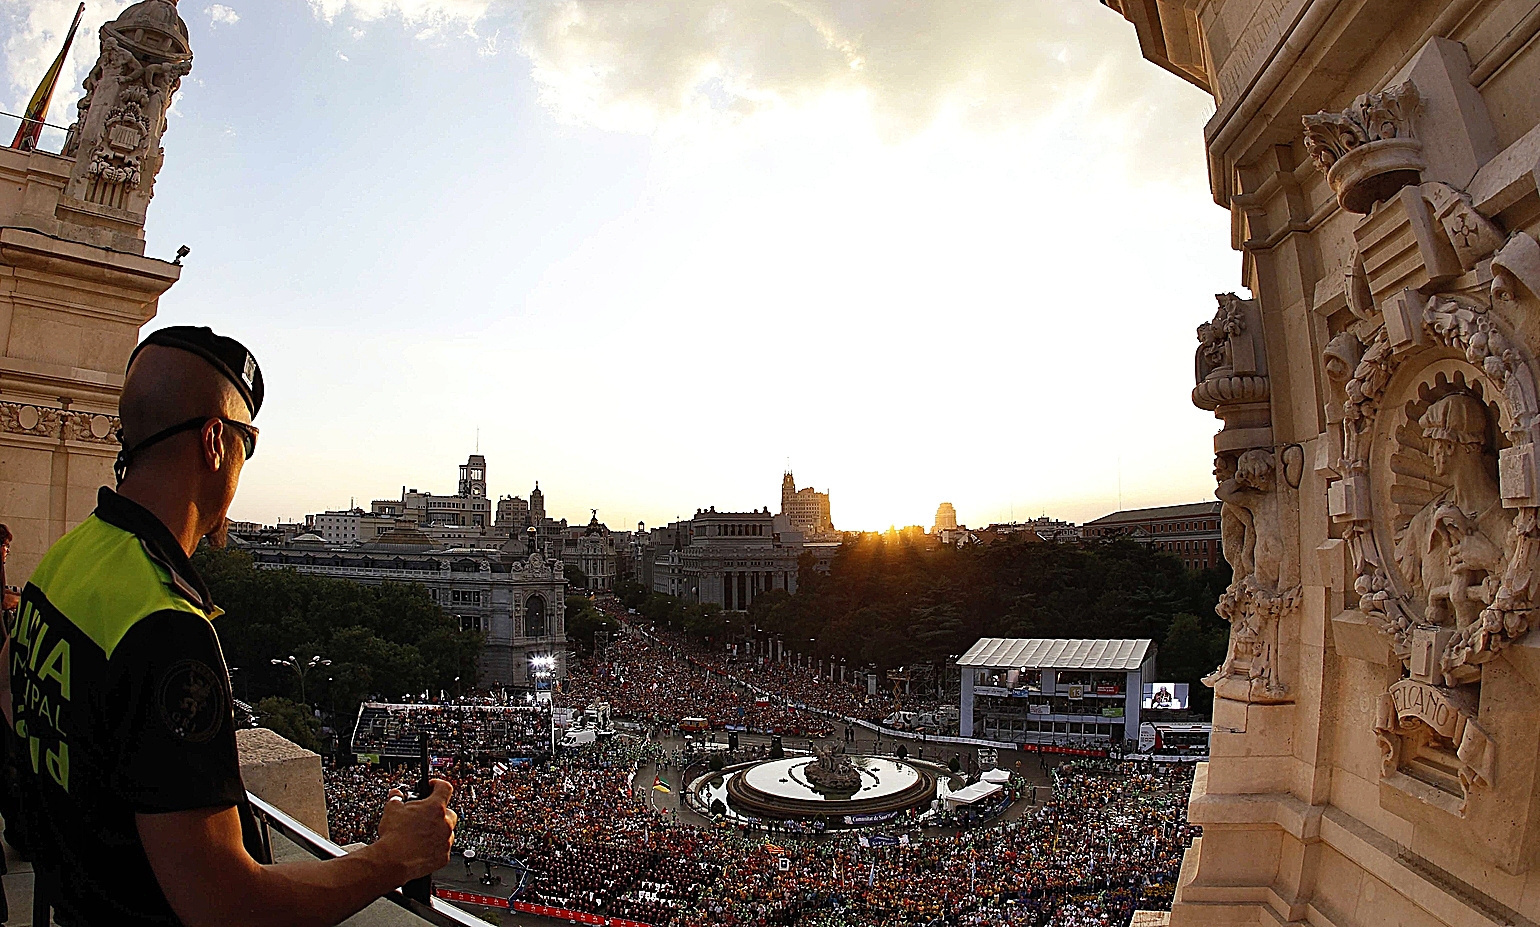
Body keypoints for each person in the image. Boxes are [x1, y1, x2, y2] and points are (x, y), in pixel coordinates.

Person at [3, 327, 457, 927]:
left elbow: (13, 699)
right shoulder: (166, 628)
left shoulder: (66, 558)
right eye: (250, 442)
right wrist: (389, 859)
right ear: (217, 441)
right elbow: (227, 906)